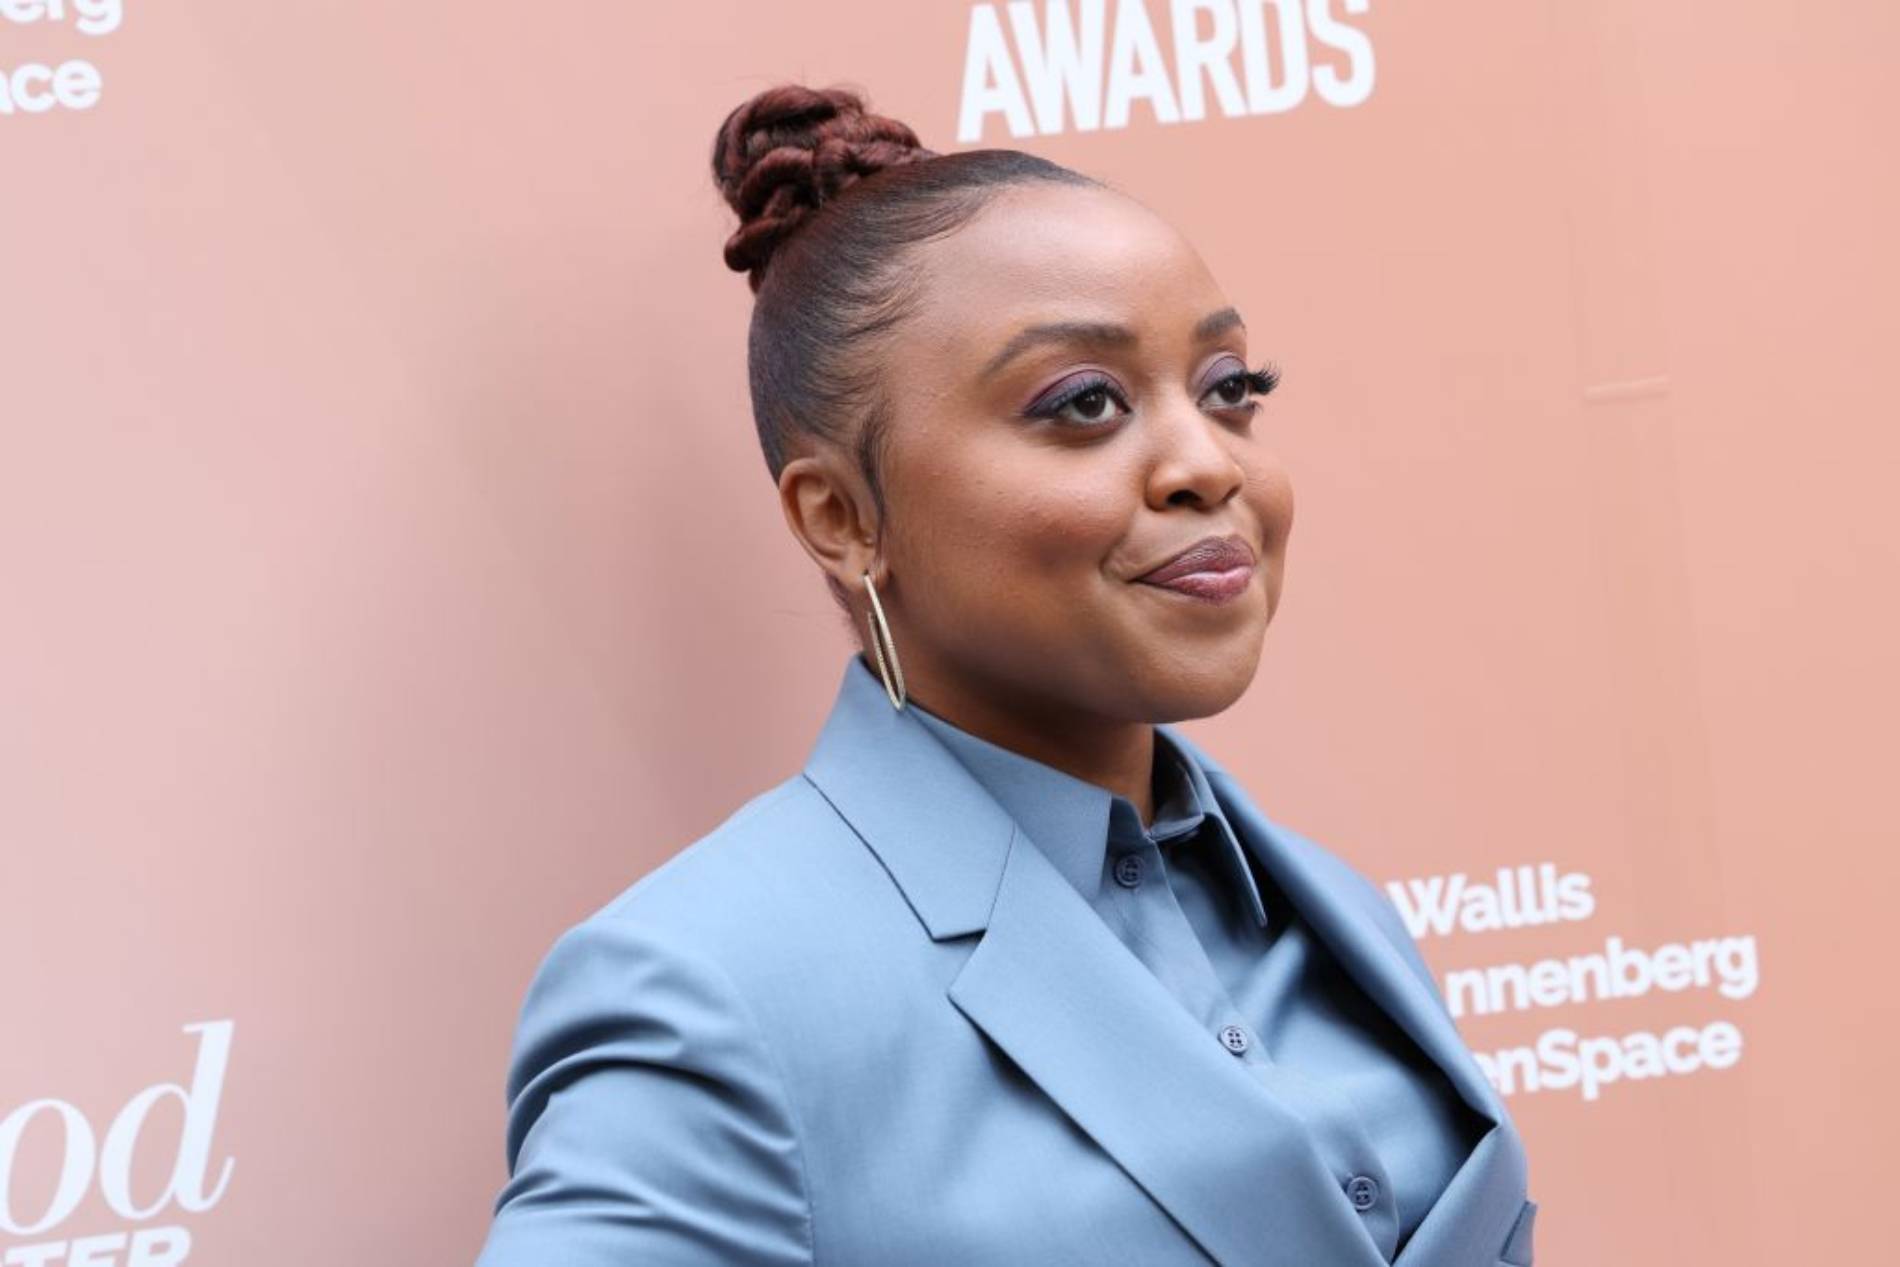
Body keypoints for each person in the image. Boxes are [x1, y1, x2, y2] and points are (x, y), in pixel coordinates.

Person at [473, 83, 1536, 1267]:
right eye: (1084, 404)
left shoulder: (1332, 909)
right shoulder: (708, 998)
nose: (1204, 463)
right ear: (841, 519)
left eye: (1230, 389)